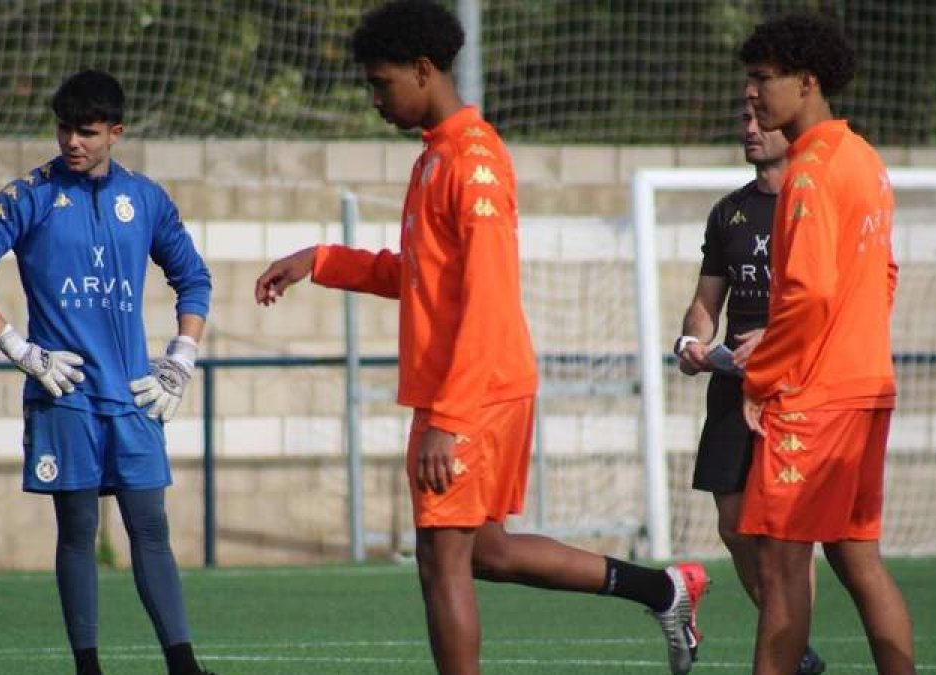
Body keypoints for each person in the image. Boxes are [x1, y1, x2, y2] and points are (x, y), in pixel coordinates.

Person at [254, 3, 708, 674]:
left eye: (381, 84)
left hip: (472, 392)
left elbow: (489, 296)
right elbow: (422, 277)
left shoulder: (475, 159)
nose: (375, 99)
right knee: (486, 552)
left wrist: (448, 418)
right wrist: (322, 260)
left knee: (442, 561)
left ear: (423, 69)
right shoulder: (434, 158)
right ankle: (661, 588)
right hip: (475, 388)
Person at [0, 70, 216, 675]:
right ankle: (87, 667)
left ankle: (184, 665)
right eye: (65, 128)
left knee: (150, 529)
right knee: (78, 531)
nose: (73, 142)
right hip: (63, 394)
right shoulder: (28, 196)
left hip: (134, 398)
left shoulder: (144, 198)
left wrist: (180, 359)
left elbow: (193, 278)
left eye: (88, 132)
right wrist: (20, 347)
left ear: (116, 132)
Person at [738, 13, 915, 675]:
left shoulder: (808, 172)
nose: (752, 94)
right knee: (859, 560)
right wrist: (852, 336)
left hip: (814, 403)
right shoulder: (864, 158)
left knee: (782, 573)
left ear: (806, 82)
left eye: (763, 80)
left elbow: (808, 295)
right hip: (867, 390)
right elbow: (884, 273)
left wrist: (761, 379)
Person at [674, 101, 825, 675]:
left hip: (798, 387)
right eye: (744, 118)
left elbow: (828, 296)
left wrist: (776, 335)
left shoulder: (814, 201)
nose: (751, 128)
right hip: (733, 386)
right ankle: (794, 645)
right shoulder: (729, 212)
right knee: (733, 522)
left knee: (789, 530)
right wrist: (692, 341)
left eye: (761, 118)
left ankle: (788, 650)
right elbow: (705, 301)